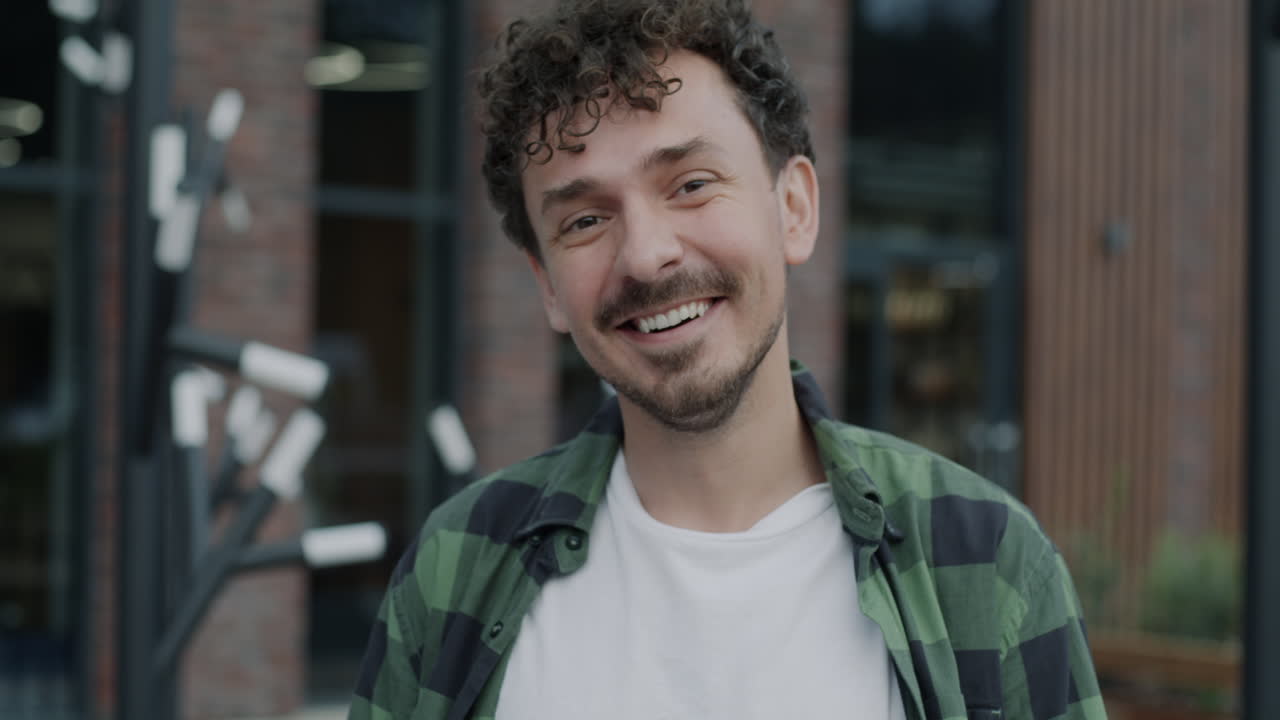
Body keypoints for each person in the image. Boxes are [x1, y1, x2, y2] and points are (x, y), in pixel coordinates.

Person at [349, 1, 1105, 718]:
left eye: (692, 184)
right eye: (584, 219)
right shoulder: (455, 570)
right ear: (547, 284)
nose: (646, 255)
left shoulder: (982, 562)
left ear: (795, 210)